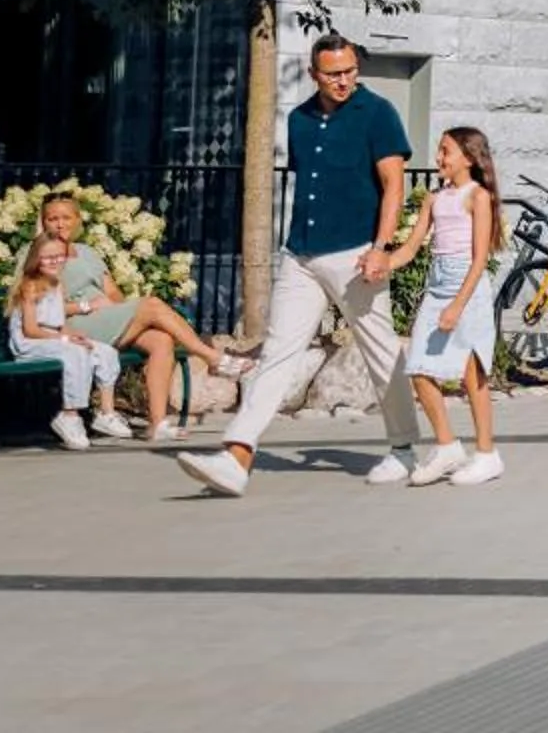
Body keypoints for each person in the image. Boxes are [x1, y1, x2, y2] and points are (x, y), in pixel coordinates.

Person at [176, 33, 420, 498]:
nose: (344, 80)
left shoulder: (378, 114)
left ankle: (405, 447)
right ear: (314, 74)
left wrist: (382, 247)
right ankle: (237, 456)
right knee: (278, 353)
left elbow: (393, 185)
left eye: (350, 70)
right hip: (301, 254)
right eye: (333, 73)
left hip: (355, 254)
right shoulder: (300, 119)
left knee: (381, 351)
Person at [39, 191, 256, 443]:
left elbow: (113, 293)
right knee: (151, 305)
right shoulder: (37, 252)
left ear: (78, 220)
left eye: (66, 217)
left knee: (161, 340)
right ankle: (212, 357)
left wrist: (118, 310)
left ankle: (157, 424)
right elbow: (40, 306)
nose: (59, 223)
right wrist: (86, 305)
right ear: (43, 222)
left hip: (104, 319)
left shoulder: (87, 252)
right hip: (72, 325)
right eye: (52, 218)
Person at [394, 127, 504, 487]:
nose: (439, 158)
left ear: (469, 158)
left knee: (473, 374)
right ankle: (447, 446)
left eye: (446, 151)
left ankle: (487, 455)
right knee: (419, 368)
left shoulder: (478, 197)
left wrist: (458, 305)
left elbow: (478, 260)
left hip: (467, 290)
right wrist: (381, 262)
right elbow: (410, 248)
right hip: (437, 286)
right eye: (439, 151)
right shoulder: (434, 199)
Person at [9, 235, 125, 450]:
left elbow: (59, 322)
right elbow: (30, 330)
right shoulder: (30, 286)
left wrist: (73, 335)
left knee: (102, 350)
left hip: (53, 339)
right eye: (48, 258)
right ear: (36, 259)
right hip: (29, 343)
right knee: (75, 353)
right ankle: (69, 415)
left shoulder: (57, 284)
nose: (55, 262)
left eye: (59, 257)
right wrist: (63, 339)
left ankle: (106, 412)